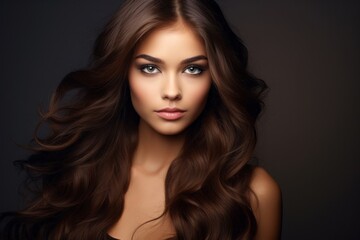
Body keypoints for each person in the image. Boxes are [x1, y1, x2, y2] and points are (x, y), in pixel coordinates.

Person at [0, 0, 281, 239]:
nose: (171, 92)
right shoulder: (79, 173)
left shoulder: (255, 194)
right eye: (150, 68)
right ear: (124, 73)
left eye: (193, 69)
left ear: (217, 77)